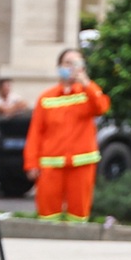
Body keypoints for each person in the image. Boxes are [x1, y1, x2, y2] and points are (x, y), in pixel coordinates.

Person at [21, 49, 108, 221]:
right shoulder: (46, 98)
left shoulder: (87, 93)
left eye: (77, 63)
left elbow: (101, 107)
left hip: (81, 164)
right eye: (68, 63)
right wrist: (31, 163)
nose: (72, 67)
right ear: (59, 67)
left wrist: (86, 83)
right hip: (51, 165)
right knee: (47, 214)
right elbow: (36, 132)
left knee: (78, 215)